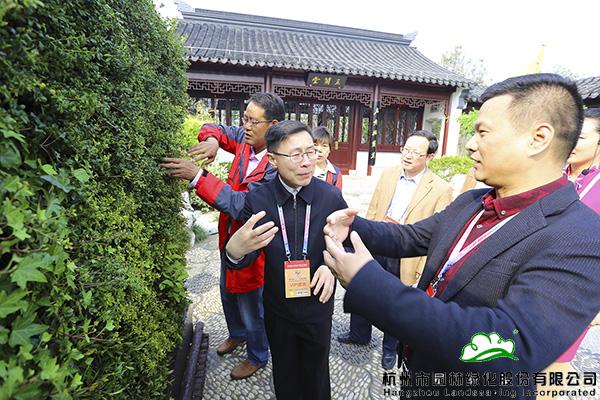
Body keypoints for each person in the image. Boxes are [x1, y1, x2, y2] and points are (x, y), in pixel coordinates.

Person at [323, 74, 600, 399]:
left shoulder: (580, 236)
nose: (470, 144)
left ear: (537, 139)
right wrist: (354, 226)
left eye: (483, 132)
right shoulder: (472, 201)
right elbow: (410, 237)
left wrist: (368, 281)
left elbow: (507, 347)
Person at [161, 92, 285, 380]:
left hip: (252, 251)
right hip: (227, 240)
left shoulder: (275, 166)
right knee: (227, 293)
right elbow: (214, 128)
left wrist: (197, 176)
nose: (246, 126)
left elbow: (242, 205)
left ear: (273, 125)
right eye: (244, 118)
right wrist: (212, 140)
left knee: (252, 306)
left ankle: (258, 355)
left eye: (254, 121)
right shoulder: (245, 139)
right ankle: (236, 334)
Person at [224, 120, 348, 400]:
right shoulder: (258, 199)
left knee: (317, 373)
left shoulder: (331, 197)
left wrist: (331, 266)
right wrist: (234, 252)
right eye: (295, 154)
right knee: (284, 372)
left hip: (318, 305)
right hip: (277, 306)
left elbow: (347, 242)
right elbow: (245, 255)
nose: (306, 162)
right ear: (272, 160)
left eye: (311, 152)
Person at [336, 130, 452, 370]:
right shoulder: (388, 174)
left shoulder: (441, 189)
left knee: (395, 300)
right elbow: (374, 207)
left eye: (415, 153)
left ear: (429, 157)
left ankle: (390, 348)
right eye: (406, 150)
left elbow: (437, 234)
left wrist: (422, 268)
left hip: (407, 252)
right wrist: (365, 237)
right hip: (378, 242)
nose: (407, 156)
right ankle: (359, 334)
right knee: (363, 286)